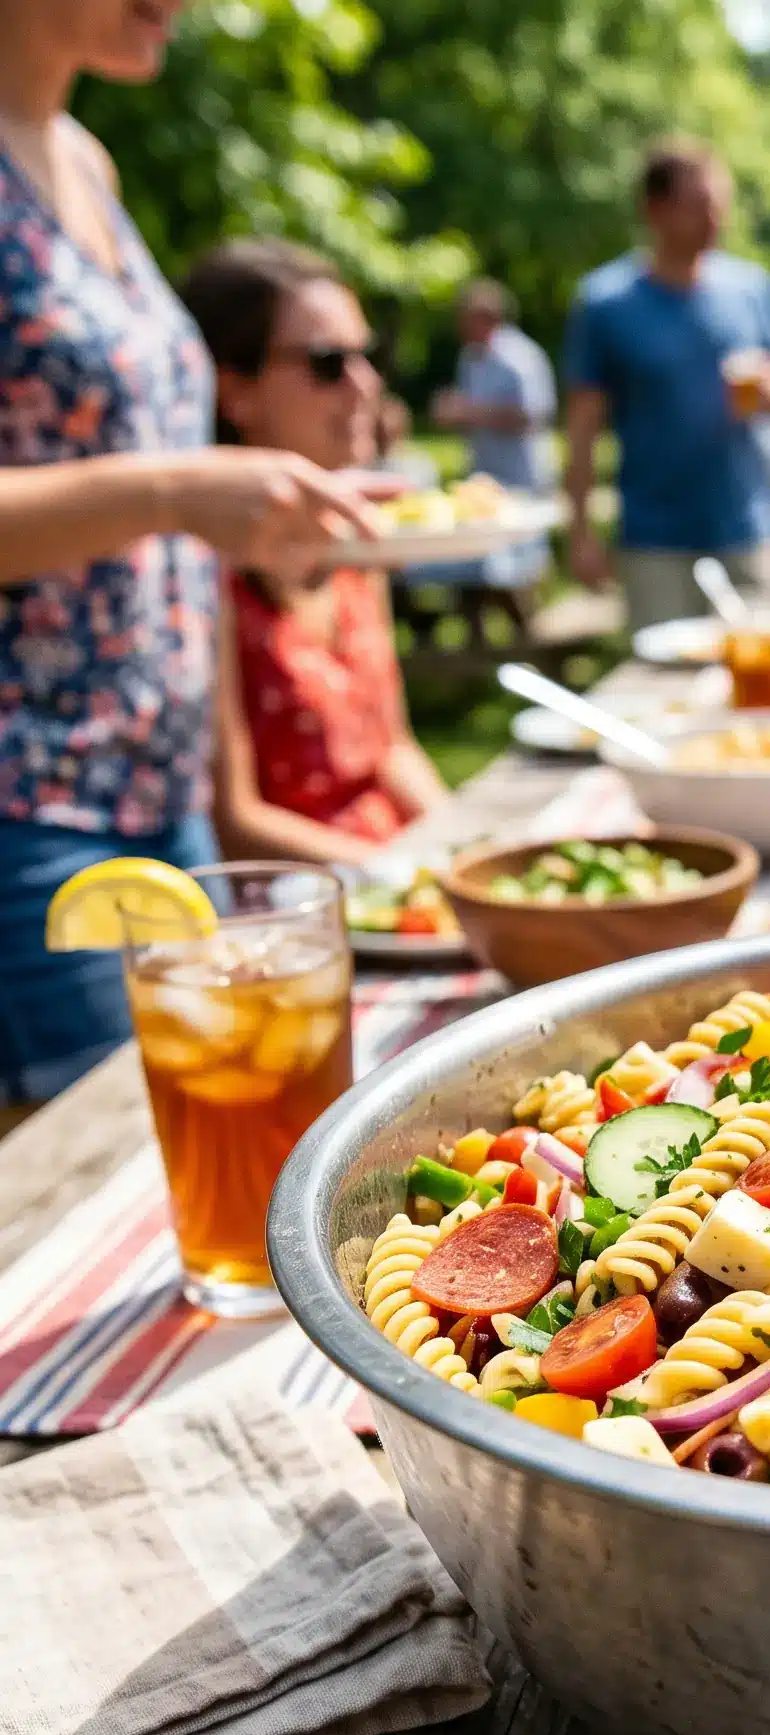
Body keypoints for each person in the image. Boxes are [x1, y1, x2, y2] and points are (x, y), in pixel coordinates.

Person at [0, 0, 377, 1100]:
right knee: (96, 1199)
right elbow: (145, 482)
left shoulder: (84, 159)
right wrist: (172, 489)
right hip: (35, 799)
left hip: (162, 787)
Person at [183, 240, 448, 860]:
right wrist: (405, 875)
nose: (365, 384)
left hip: (397, 882)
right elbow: (237, 822)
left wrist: (466, 853)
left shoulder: (357, 548)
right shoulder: (203, 576)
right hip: (301, 911)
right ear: (235, 393)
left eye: (368, 356)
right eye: (329, 363)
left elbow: (394, 751)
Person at [561, 138, 770, 634]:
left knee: (758, 682)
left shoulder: (752, 289)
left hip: (747, 531)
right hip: (655, 542)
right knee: (662, 693)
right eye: (699, 205)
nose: (716, 218)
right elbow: (583, 428)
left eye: (720, 204)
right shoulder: (606, 303)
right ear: (654, 210)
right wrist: (581, 533)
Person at [422, 277, 557, 619]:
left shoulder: (520, 358)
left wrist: (469, 411)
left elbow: (533, 414)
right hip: (486, 472)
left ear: (488, 318)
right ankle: (485, 638)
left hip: (521, 474)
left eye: (466, 318)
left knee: (522, 564)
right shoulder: (470, 358)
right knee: (480, 562)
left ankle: (532, 629)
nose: (460, 327)